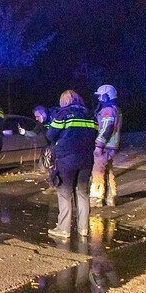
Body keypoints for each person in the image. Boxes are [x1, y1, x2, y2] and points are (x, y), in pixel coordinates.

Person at [45, 90, 98, 239]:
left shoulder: (63, 115)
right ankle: (83, 228)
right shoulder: (90, 116)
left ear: (64, 101)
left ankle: (64, 229)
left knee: (65, 193)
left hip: (66, 159)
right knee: (82, 193)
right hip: (86, 159)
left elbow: (50, 135)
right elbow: (96, 133)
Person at [91, 85, 123, 207]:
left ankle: (96, 197)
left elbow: (107, 128)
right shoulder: (116, 109)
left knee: (98, 170)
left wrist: (99, 145)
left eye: (100, 96)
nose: (99, 99)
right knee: (108, 170)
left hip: (105, 146)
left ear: (106, 96)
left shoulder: (108, 110)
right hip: (113, 145)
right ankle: (111, 196)